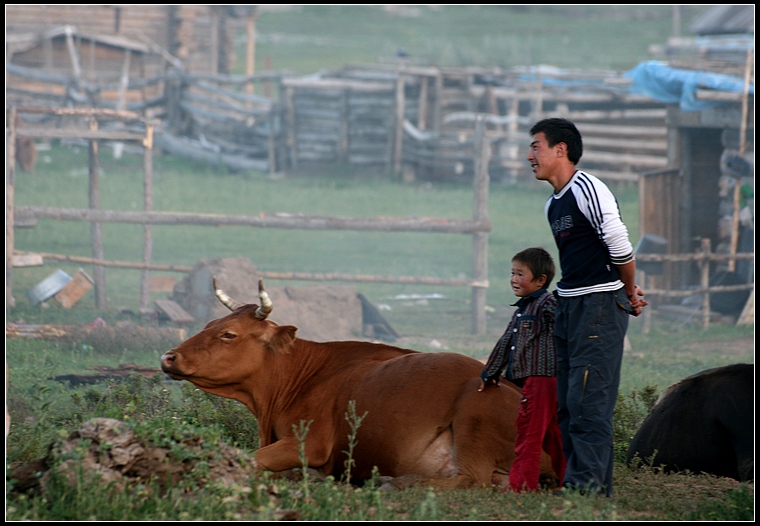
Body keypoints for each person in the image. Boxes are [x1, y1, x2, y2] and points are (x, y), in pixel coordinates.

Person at [527, 117, 648, 497]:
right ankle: (582, 486)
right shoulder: (553, 204)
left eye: (536, 146)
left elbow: (620, 245)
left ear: (560, 149)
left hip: (598, 305)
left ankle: (588, 495)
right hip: (570, 305)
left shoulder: (587, 188)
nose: (529, 155)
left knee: (588, 401)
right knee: (568, 403)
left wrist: (628, 291)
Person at [479, 247, 566, 493]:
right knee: (553, 435)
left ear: (541, 281)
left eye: (520, 274)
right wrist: (490, 372)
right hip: (544, 381)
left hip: (540, 380)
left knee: (528, 433)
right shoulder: (523, 309)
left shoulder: (547, 303)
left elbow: (564, 321)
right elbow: (506, 342)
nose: (514, 279)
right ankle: (569, 479)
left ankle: (522, 485)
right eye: (512, 273)